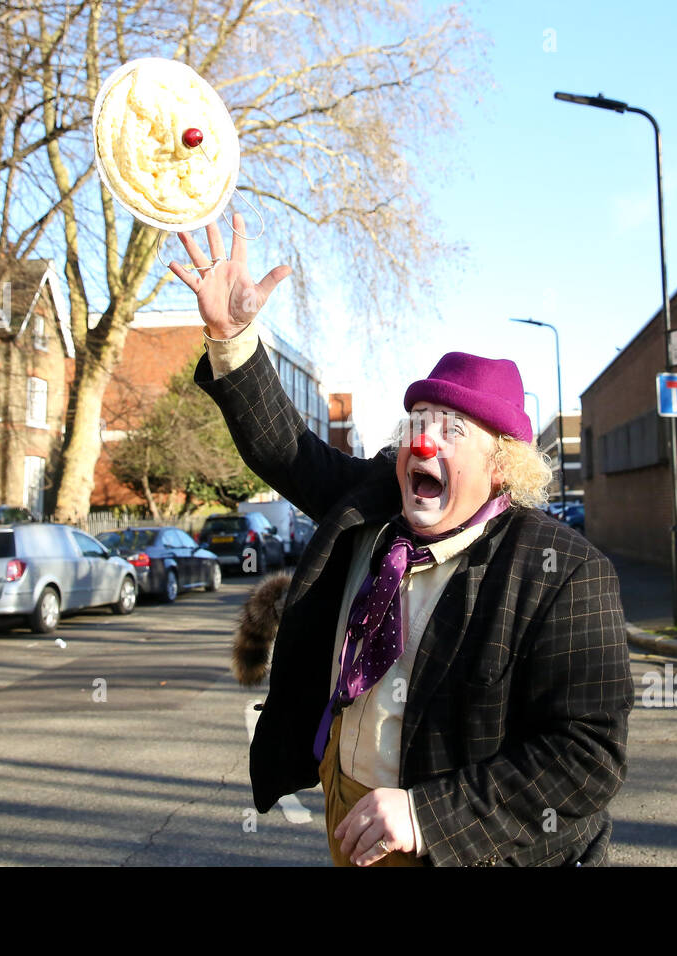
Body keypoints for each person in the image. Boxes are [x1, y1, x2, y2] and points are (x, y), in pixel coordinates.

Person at [170, 217, 633, 867]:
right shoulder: (374, 504)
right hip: (348, 807)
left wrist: (428, 815)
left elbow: (586, 756)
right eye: (419, 422)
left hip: (470, 845)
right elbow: (287, 449)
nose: (424, 442)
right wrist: (232, 335)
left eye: (451, 431)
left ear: (503, 467)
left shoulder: (563, 572)